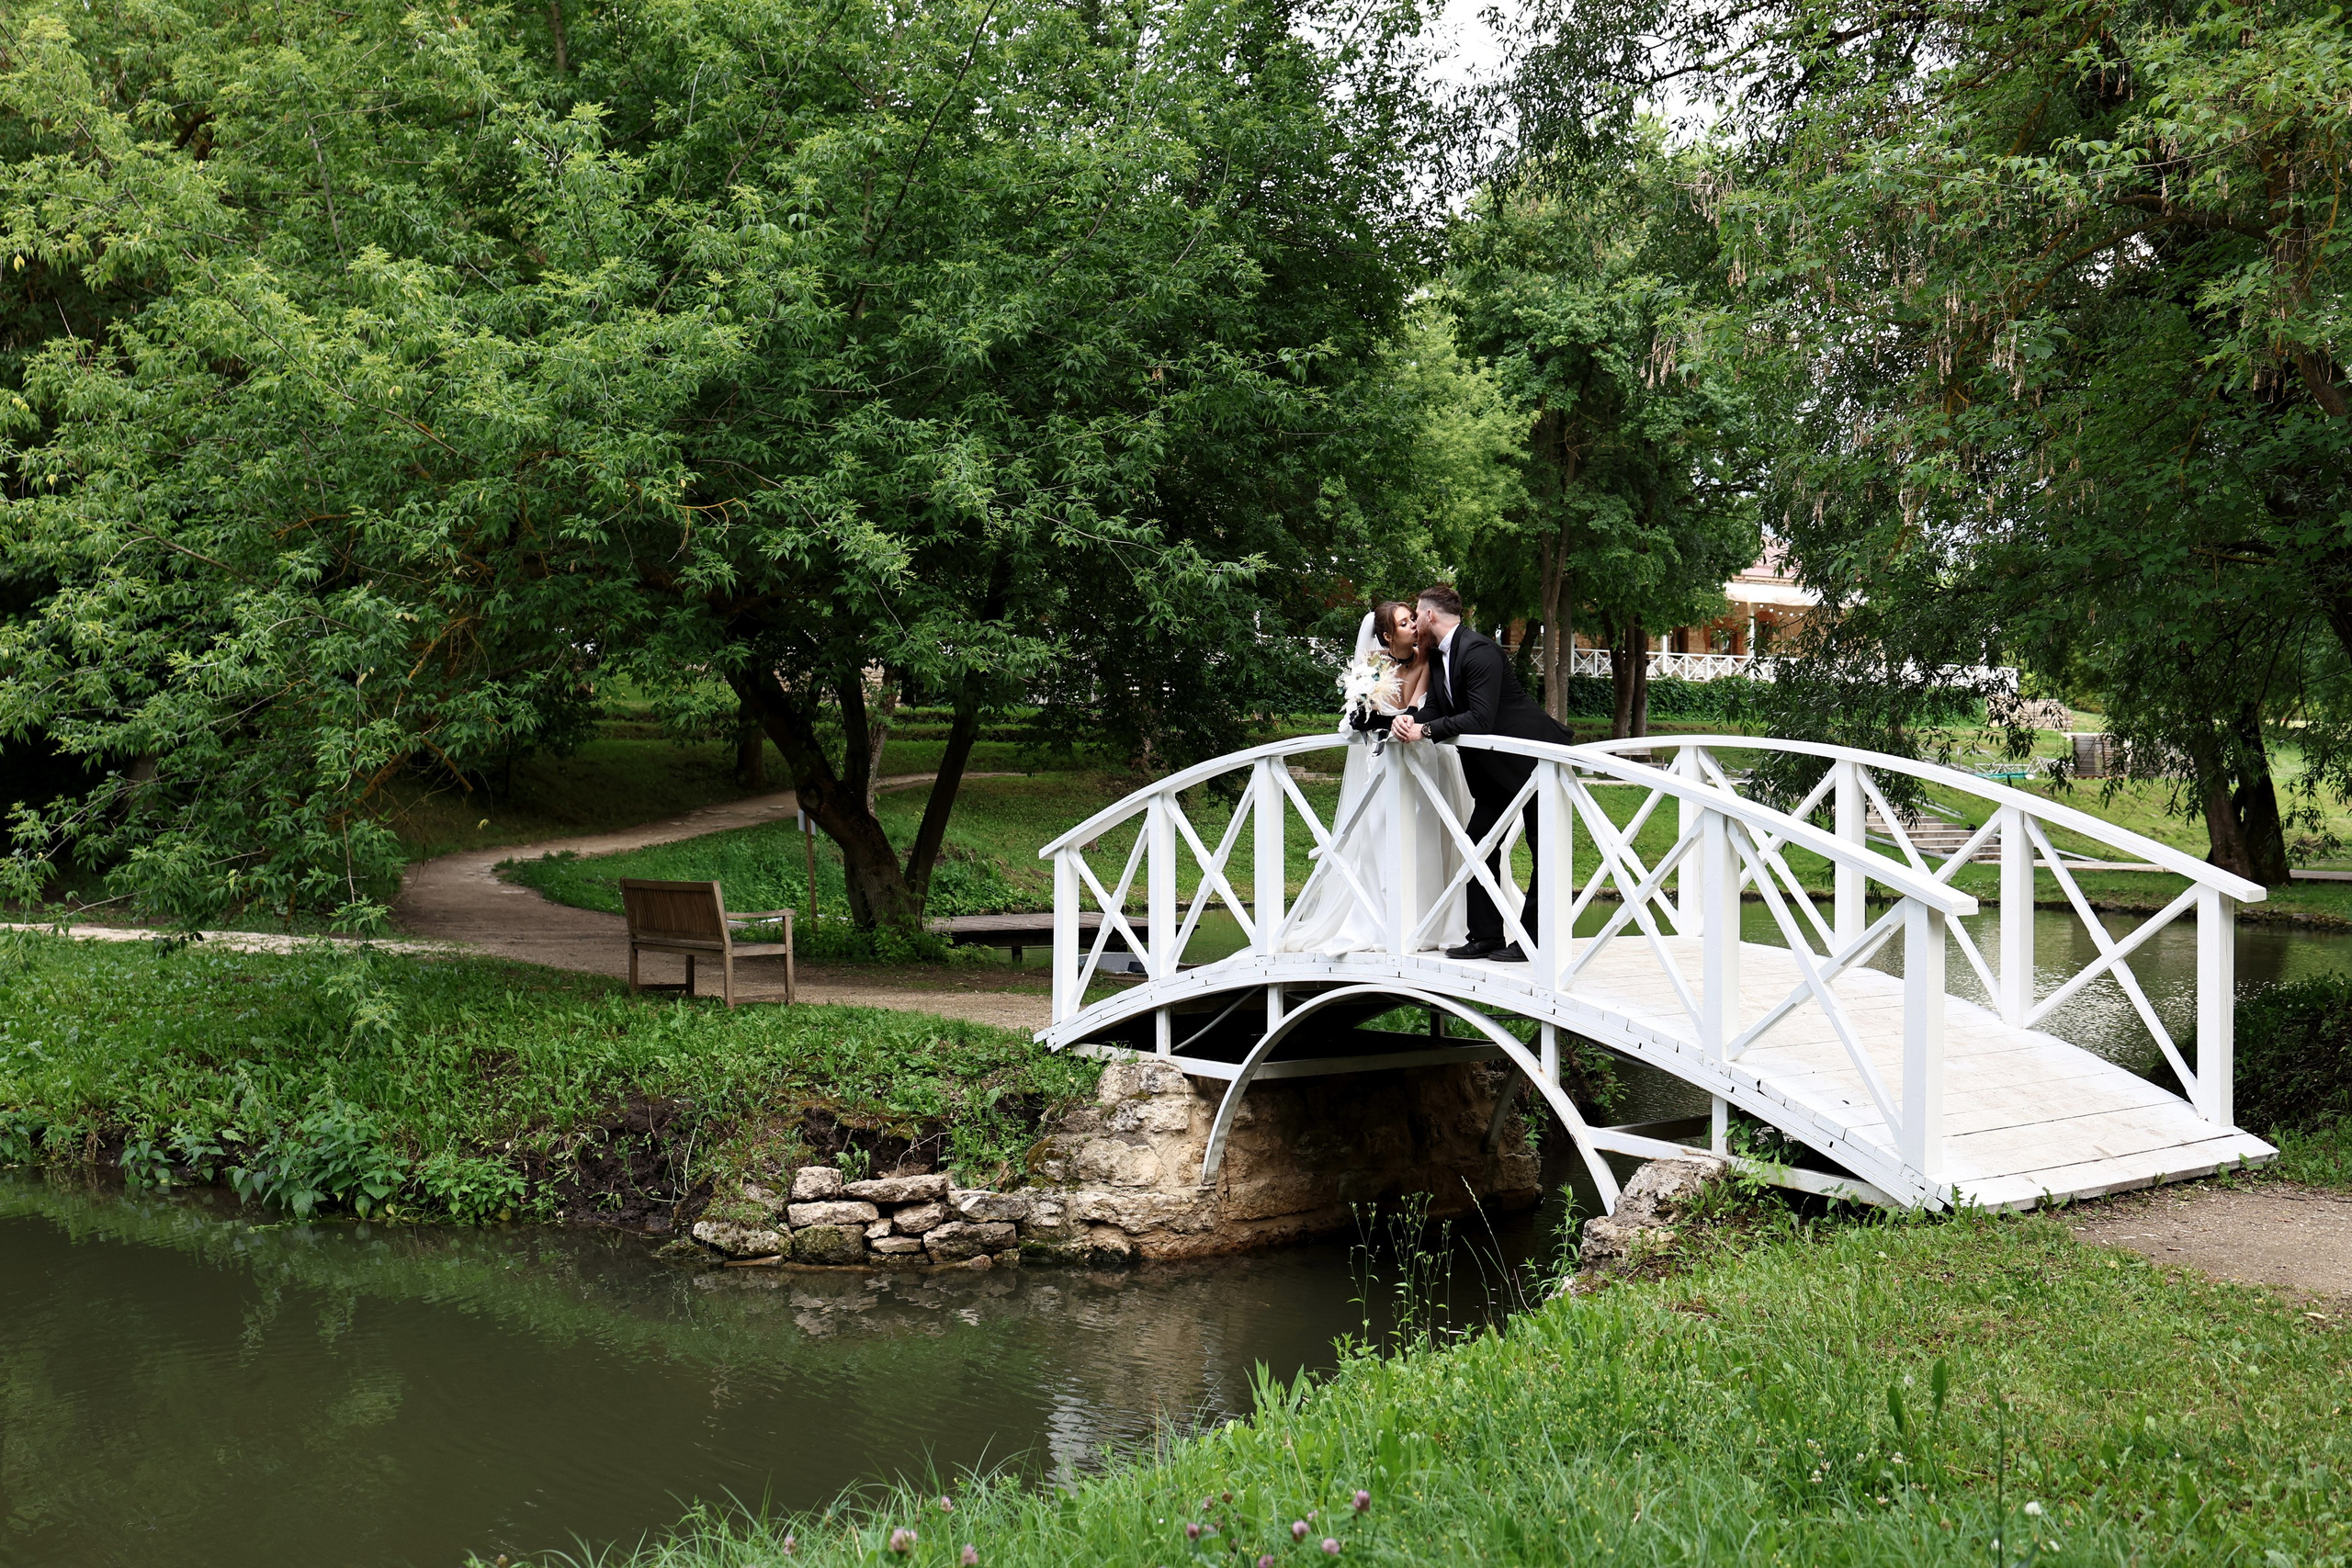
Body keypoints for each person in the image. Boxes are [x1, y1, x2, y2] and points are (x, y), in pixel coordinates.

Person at [1279, 602, 1473, 955]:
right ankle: (1382, 921)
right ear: (1387, 635)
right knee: (1379, 839)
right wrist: (1381, 719)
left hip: (1423, 763)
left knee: (1424, 838)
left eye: (1413, 618)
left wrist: (1399, 721)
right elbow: (1356, 721)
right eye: (1404, 622)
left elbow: (1416, 710)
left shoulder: (1426, 659)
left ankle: (1424, 923)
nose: (1414, 625)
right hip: (1384, 765)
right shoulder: (1372, 666)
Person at [1389, 584, 1571, 961]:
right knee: (1478, 845)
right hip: (1495, 771)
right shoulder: (1439, 657)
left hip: (1536, 762)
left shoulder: (1479, 650)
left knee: (1543, 850)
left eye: (1417, 614)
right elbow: (1438, 706)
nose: (1417, 621)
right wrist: (1409, 720)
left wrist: (1426, 732)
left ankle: (1533, 942)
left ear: (1430, 616)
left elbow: (1481, 718)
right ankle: (1486, 936)